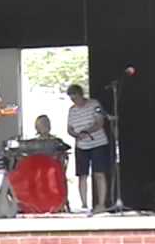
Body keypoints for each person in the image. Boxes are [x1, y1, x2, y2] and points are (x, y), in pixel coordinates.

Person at [66, 84, 109, 213]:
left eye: (76, 98)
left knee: (99, 174)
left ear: (81, 95)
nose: (74, 101)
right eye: (72, 99)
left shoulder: (94, 104)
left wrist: (87, 131)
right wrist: (76, 135)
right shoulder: (72, 110)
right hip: (81, 146)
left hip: (97, 143)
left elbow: (99, 122)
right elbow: (69, 129)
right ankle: (84, 204)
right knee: (82, 175)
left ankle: (101, 204)